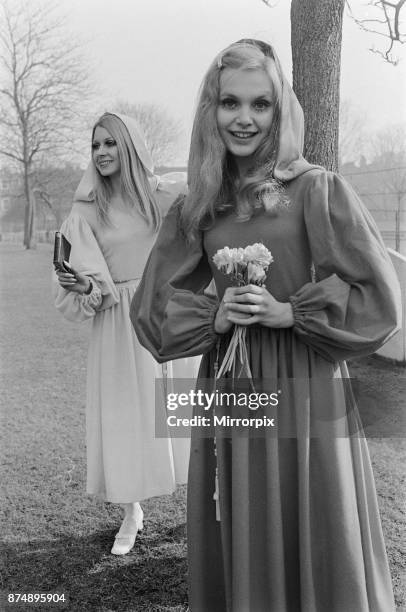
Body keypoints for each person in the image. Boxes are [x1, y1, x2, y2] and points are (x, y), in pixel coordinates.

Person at [131, 41, 401, 611]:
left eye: (262, 104)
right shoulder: (198, 205)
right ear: (211, 110)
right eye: (231, 102)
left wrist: (291, 312)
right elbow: (151, 309)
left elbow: (379, 297)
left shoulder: (317, 188)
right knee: (245, 511)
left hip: (307, 381)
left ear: (281, 111)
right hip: (231, 383)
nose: (245, 118)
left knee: (315, 509)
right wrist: (215, 315)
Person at [54, 112, 198, 556]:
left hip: (169, 311)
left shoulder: (166, 194)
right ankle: (131, 512)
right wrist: (84, 285)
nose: (101, 153)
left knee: (185, 405)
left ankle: (208, 499)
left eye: (110, 143)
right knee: (125, 416)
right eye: (95, 145)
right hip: (119, 324)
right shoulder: (85, 210)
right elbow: (89, 279)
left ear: (130, 146)